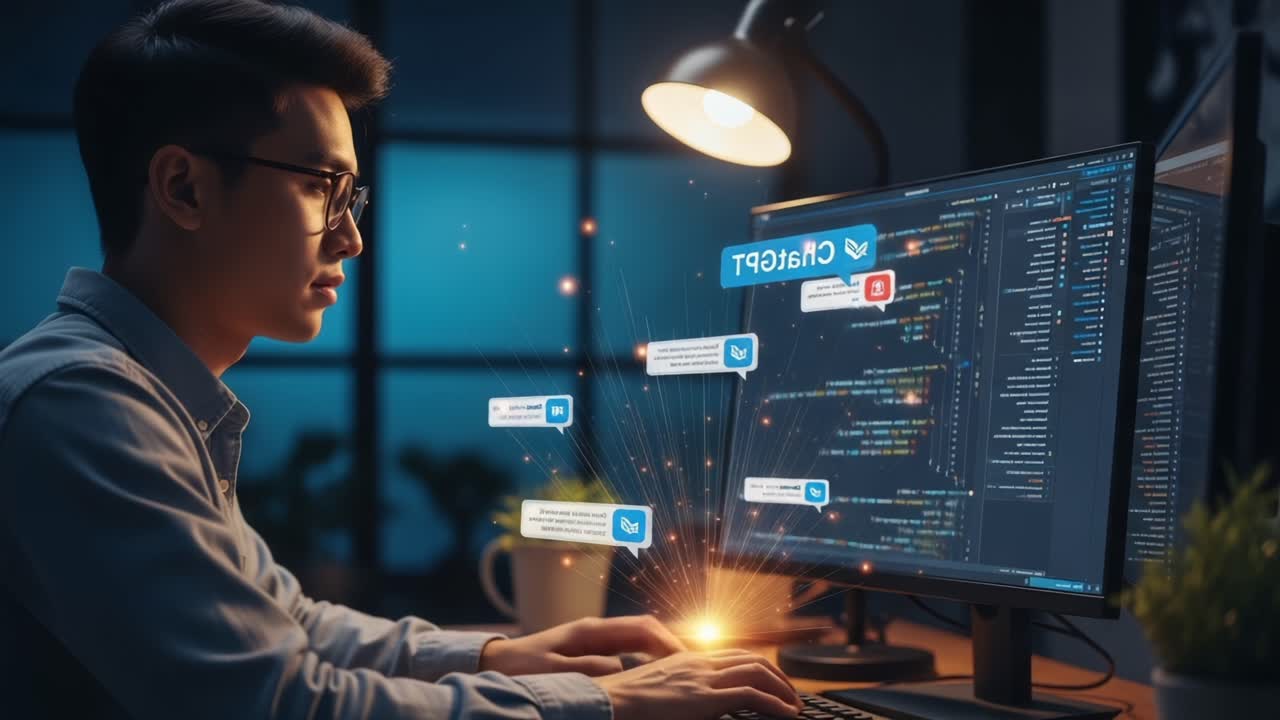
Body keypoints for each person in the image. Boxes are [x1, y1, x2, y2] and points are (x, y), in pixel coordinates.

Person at [0, 1, 803, 719]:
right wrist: (602, 703)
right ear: (183, 189)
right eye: (322, 187)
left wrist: (499, 656)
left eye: (351, 197)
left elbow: (286, 627)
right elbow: (277, 702)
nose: (350, 237)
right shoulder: (80, 403)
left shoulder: (147, 395)